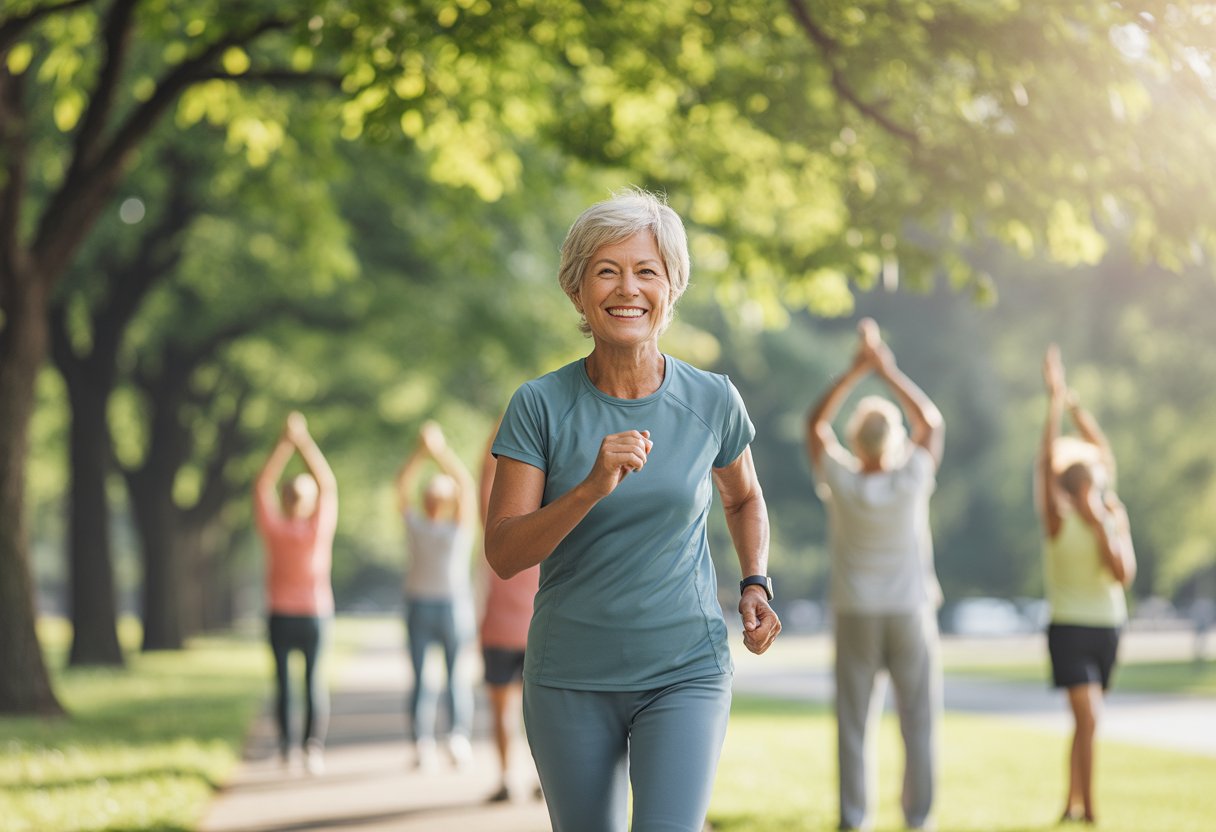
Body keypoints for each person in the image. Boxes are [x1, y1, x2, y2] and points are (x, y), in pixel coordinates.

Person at [484, 189, 781, 832]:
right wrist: (592, 485)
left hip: (684, 669)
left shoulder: (713, 399)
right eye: (607, 271)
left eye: (647, 270)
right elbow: (504, 552)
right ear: (578, 292)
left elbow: (744, 496)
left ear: (671, 287)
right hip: (570, 675)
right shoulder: (538, 406)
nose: (628, 288)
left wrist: (754, 579)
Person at [805, 318, 944, 832]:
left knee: (853, 725)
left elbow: (813, 425)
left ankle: (854, 819)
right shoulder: (911, 477)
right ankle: (919, 819)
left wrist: (853, 372)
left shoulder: (840, 479)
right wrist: (887, 372)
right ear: (894, 441)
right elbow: (931, 424)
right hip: (909, 611)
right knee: (919, 723)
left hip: (856, 612)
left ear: (856, 441)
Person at [1038, 345, 1136, 825]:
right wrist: (1054, 403)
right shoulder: (1057, 519)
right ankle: (1091, 811)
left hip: (1108, 626)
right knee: (1090, 718)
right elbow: (1043, 462)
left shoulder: (1113, 514)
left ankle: (1070, 803)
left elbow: (1123, 576)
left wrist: (1075, 404)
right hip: (1069, 627)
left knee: (1085, 723)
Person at [253, 411, 338, 777]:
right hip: (315, 615)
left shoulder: (274, 528)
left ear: (285, 500)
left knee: (283, 684)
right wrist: (302, 441)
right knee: (312, 681)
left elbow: (261, 484)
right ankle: (311, 749)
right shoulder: (318, 528)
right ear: (308, 501)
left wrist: (283, 444)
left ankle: (288, 750)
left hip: (280, 614)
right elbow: (328, 483)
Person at [395, 420, 477, 770]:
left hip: (432, 605)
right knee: (450, 675)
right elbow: (466, 487)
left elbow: (401, 487)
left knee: (429, 678)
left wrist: (424, 452)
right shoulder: (452, 527)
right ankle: (450, 738)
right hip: (444, 606)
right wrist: (438, 453)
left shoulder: (431, 527)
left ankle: (428, 741)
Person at [476, 418, 542, 803]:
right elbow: (485, 475)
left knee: (505, 710)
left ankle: (507, 779)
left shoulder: (495, 524)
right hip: (528, 631)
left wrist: (499, 430)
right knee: (537, 715)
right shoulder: (546, 524)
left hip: (508, 631)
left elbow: (484, 473)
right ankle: (529, 778)